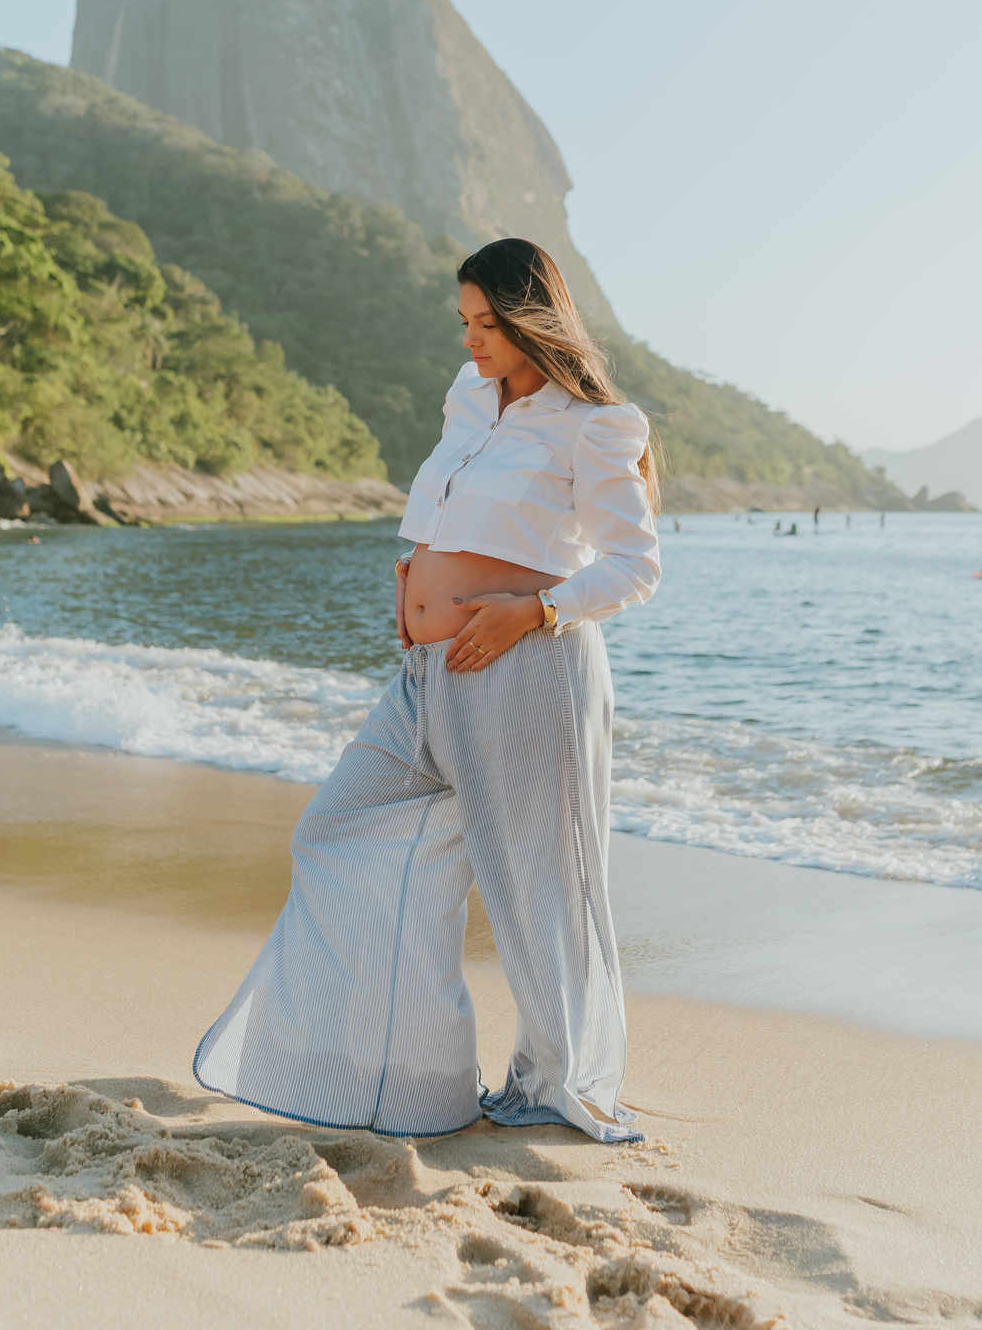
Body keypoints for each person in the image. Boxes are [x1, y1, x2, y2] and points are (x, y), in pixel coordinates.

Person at [194, 239, 661, 1145]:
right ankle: (407, 1078)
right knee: (336, 827)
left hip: (523, 671)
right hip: (425, 674)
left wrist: (533, 612)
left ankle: (559, 1087)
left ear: (536, 319)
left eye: (489, 323)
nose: (474, 338)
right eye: (465, 321)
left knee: (539, 889)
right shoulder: (469, 396)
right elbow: (447, 514)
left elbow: (635, 568)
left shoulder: (595, 423)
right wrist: (412, 576)